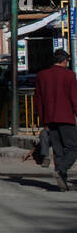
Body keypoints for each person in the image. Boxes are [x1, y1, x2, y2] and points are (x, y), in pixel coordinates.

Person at [36, 49, 77, 191]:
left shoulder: (42, 75)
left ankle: (62, 183)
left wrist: (43, 121)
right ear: (64, 60)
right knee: (73, 147)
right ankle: (62, 170)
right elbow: (74, 98)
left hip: (50, 119)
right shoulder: (69, 75)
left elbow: (39, 100)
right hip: (65, 118)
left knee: (58, 150)